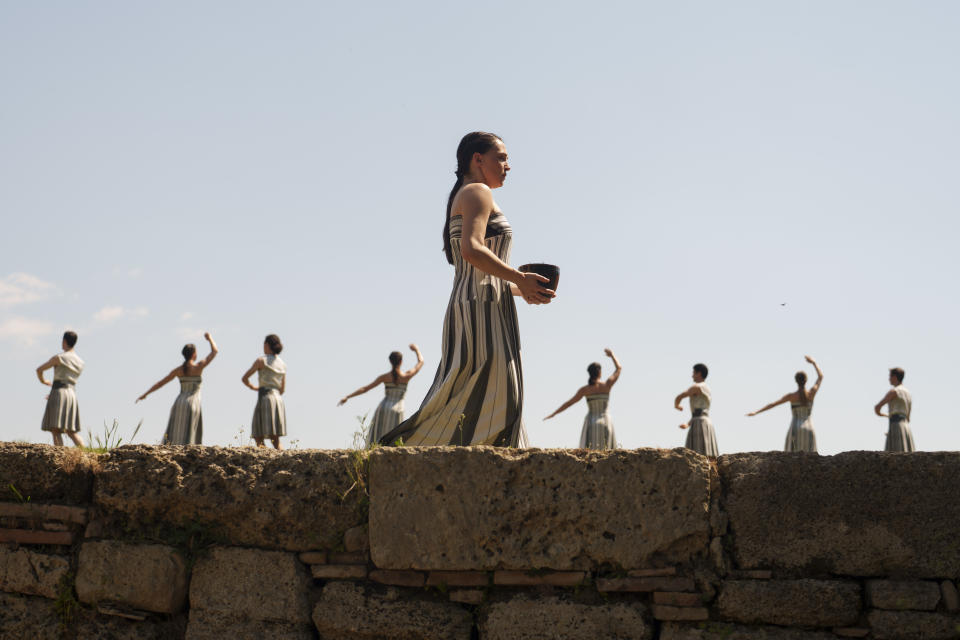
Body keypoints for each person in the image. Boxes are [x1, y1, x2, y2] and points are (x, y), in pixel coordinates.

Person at [379, 132, 554, 447]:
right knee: (500, 395)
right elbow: (472, 250)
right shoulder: (477, 191)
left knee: (466, 393)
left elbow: (475, 269)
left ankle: (410, 454)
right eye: (501, 157)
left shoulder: (467, 193)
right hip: (481, 309)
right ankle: (403, 452)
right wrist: (518, 277)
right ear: (477, 159)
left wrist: (523, 288)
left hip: (475, 303)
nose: (507, 166)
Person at [136, 332, 218, 445]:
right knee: (190, 437)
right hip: (192, 402)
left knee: (175, 435)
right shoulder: (198, 366)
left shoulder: (178, 370)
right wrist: (210, 339)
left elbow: (160, 383)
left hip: (179, 403)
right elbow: (214, 352)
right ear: (194, 354)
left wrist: (145, 394)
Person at [338, 344, 424, 446]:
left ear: (390, 362)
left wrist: (347, 397)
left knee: (377, 437)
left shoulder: (384, 377)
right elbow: (420, 362)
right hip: (398, 408)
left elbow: (365, 389)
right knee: (395, 437)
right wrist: (416, 350)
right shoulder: (406, 376)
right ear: (401, 362)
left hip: (383, 408)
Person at [544, 348, 622, 449]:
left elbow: (569, 403)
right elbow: (619, 368)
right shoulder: (607, 385)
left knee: (591, 453)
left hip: (591, 423)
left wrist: (554, 413)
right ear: (599, 372)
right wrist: (612, 356)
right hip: (606, 422)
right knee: (608, 453)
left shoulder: (585, 390)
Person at [746, 355, 824, 452]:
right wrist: (813, 362)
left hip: (795, 429)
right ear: (806, 381)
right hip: (809, 429)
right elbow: (820, 377)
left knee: (791, 458)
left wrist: (756, 412)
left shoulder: (791, 396)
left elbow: (773, 404)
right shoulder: (811, 393)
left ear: (796, 381)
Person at [36, 331, 86, 447]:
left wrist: (44, 381)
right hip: (72, 393)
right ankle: (85, 453)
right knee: (71, 431)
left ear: (64, 341)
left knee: (56, 429)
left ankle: (60, 455)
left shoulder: (59, 358)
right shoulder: (80, 362)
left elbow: (39, 370)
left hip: (59, 392)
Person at [242, 334, 287, 450]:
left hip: (265, 397)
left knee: (258, 434)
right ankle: (281, 459)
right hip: (278, 399)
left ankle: (265, 458)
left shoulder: (261, 361)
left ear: (267, 345)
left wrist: (253, 387)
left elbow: (245, 378)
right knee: (275, 438)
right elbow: (282, 389)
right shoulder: (282, 364)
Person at [675, 363, 718, 457]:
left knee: (698, 455)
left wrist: (677, 405)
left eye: (694, 373)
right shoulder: (705, 387)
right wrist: (687, 424)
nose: (692, 375)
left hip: (700, 423)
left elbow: (680, 396)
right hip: (700, 421)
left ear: (699, 373)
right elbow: (698, 412)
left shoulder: (698, 387)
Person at [875, 367, 914, 452]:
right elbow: (908, 417)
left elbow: (877, 407)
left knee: (894, 454)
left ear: (895, 377)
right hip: (906, 427)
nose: (889, 379)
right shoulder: (908, 393)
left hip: (896, 425)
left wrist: (883, 415)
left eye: (890, 376)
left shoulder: (894, 391)